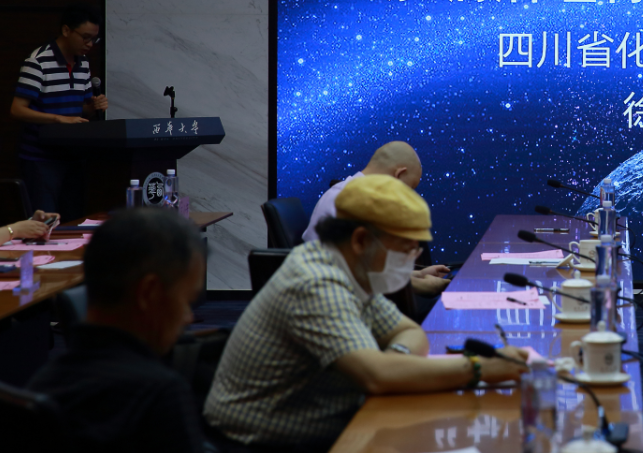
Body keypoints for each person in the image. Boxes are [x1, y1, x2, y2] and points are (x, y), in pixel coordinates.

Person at [205, 175, 528, 452]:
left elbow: (409, 333)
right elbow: (377, 377)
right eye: (405, 249)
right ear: (361, 240)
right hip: (261, 444)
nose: (411, 261)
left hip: (328, 421)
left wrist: (395, 362)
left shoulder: (353, 270)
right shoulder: (315, 281)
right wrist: (480, 367)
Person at [27, 207, 206, 453]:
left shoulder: (40, 384)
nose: (189, 317)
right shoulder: (159, 395)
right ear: (149, 293)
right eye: (186, 300)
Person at [301, 141, 451, 297]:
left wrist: (418, 275)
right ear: (398, 176)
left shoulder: (349, 194)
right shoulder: (349, 202)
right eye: (410, 188)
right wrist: (419, 285)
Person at [10, 4, 110, 220]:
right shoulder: (38, 61)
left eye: (94, 39)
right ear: (66, 30)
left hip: (74, 156)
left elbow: (80, 111)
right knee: (45, 221)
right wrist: (58, 119)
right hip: (41, 159)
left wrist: (94, 107)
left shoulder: (83, 63)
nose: (89, 44)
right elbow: (17, 110)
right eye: (85, 37)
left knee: (74, 219)